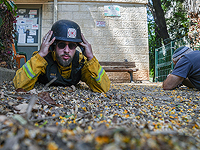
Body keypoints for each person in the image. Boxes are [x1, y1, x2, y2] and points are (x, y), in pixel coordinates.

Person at [13, 20, 110, 93]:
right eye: (61, 45)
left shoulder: (81, 62)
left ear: (77, 47)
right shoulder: (41, 59)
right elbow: (19, 85)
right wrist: (41, 54)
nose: (67, 50)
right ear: (53, 46)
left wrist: (91, 58)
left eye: (72, 46)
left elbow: (104, 88)